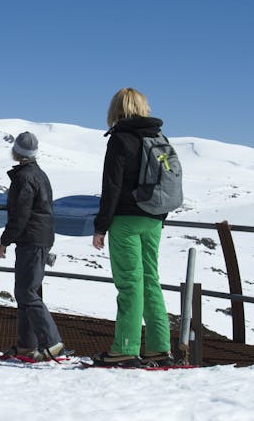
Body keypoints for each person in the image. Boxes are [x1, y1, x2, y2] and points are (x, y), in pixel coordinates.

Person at [91, 87, 173, 367]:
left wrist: (101, 226)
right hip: (154, 219)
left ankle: (125, 348)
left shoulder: (120, 139)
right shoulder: (158, 137)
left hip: (126, 221)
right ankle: (159, 348)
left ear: (116, 109)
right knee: (151, 280)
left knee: (129, 284)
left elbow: (111, 186)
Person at [0, 132, 65, 360]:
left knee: (27, 291)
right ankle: (26, 344)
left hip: (32, 239)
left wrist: (5, 239)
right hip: (38, 238)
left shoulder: (24, 177)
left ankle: (52, 342)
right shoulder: (39, 174)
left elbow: (21, 213)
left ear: (16, 152)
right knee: (24, 290)